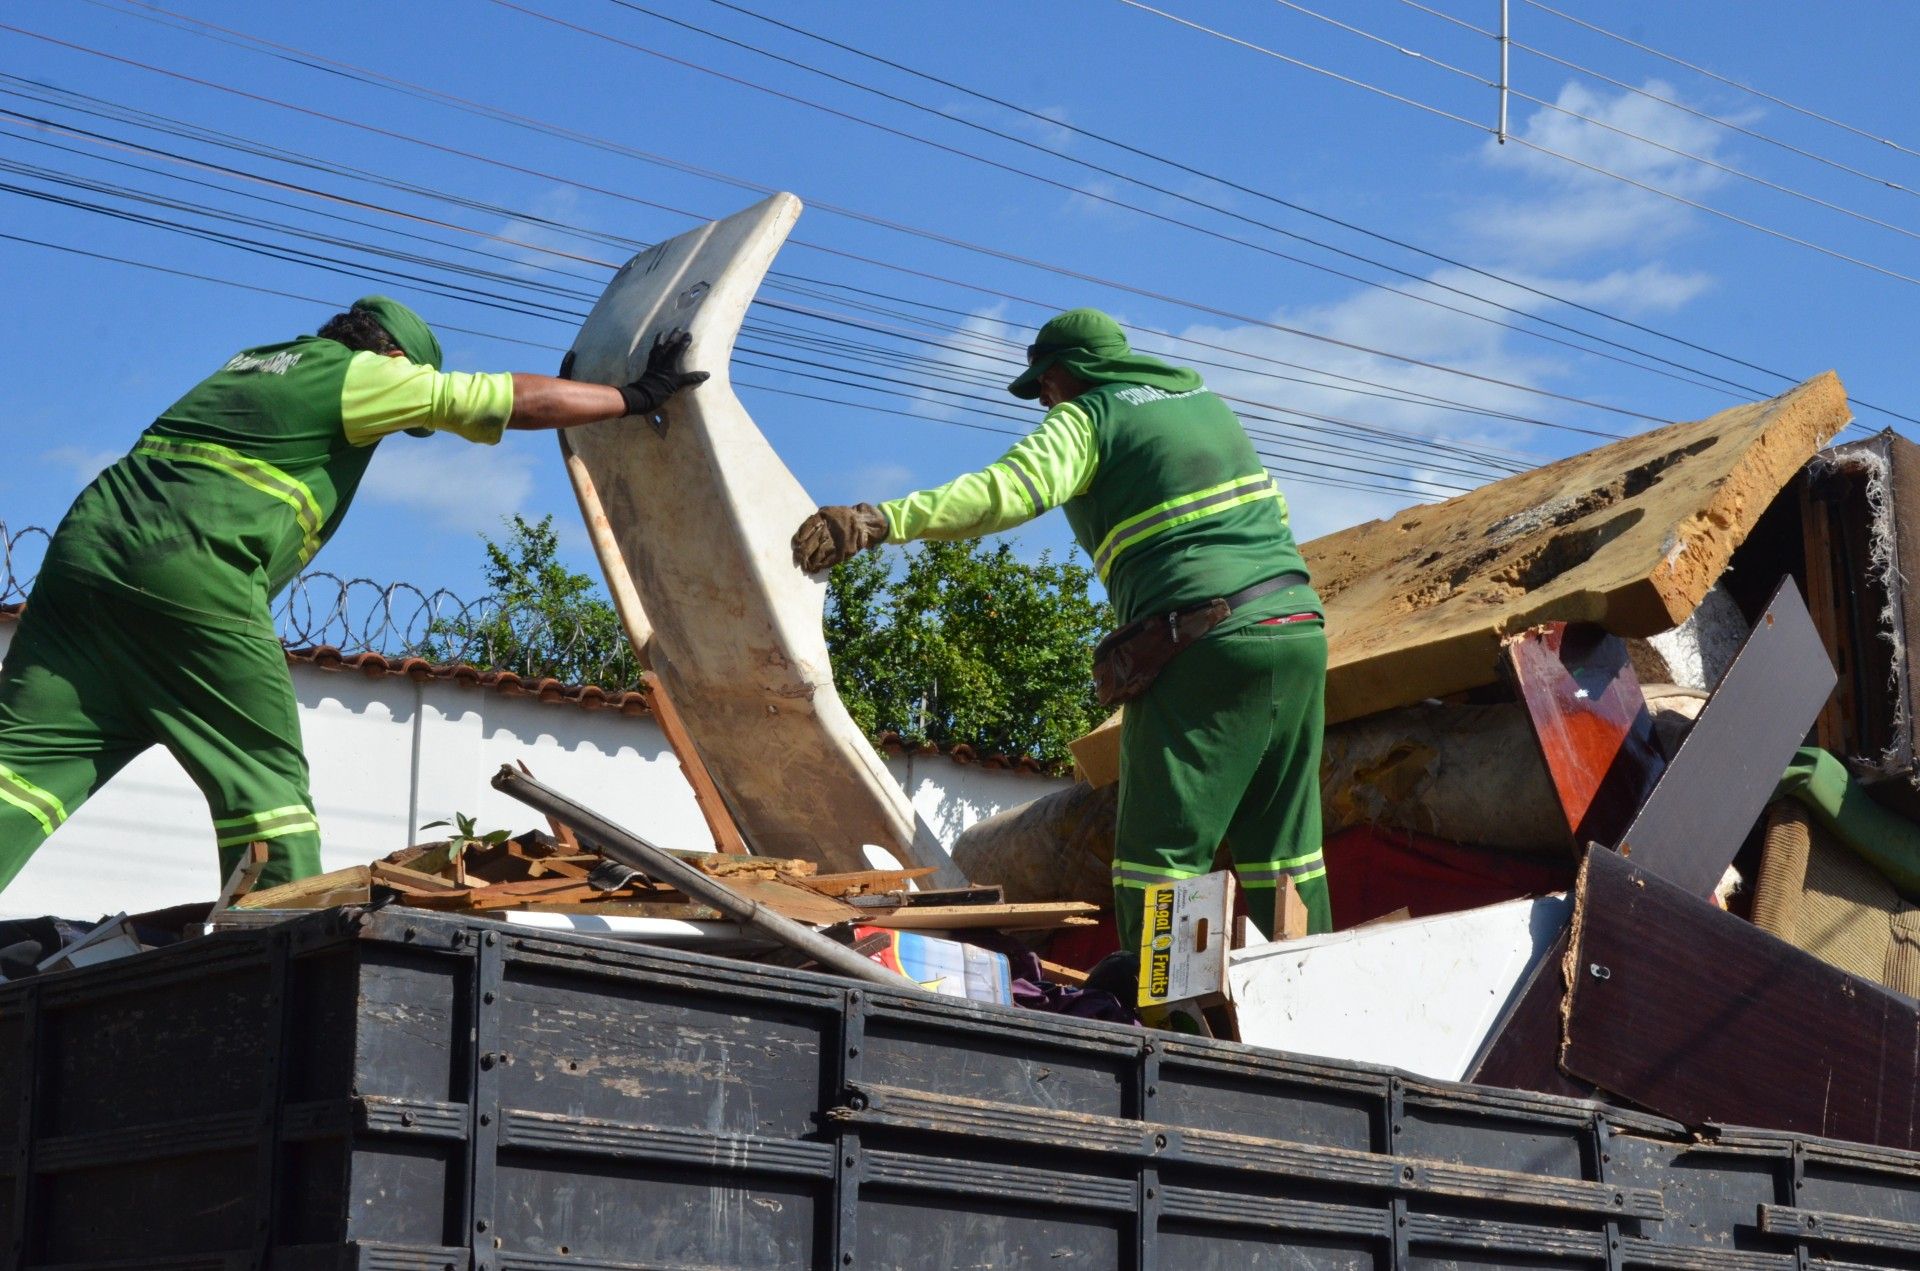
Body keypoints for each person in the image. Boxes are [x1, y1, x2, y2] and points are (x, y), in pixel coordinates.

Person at [0, 296, 707, 895]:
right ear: (395, 357)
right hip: (191, 570)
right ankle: (281, 968)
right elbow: (504, 399)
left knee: (19, 777)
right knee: (267, 793)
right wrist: (634, 396)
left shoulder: (255, 361)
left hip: (81, 566)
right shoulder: (359, 373)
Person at [793, 307, 1330, 959]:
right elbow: (1276, 513)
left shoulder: (1089, 417)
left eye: (1045, 382)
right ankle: (1313, 994)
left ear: (1077, 369)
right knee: (1285, 848)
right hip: (1297, 627)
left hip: (1199, 641)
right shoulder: (1206, 406)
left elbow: (1006, 491)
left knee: (1158, 856)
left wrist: (882, 521)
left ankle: (1169, 1010)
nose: (1043, 398)